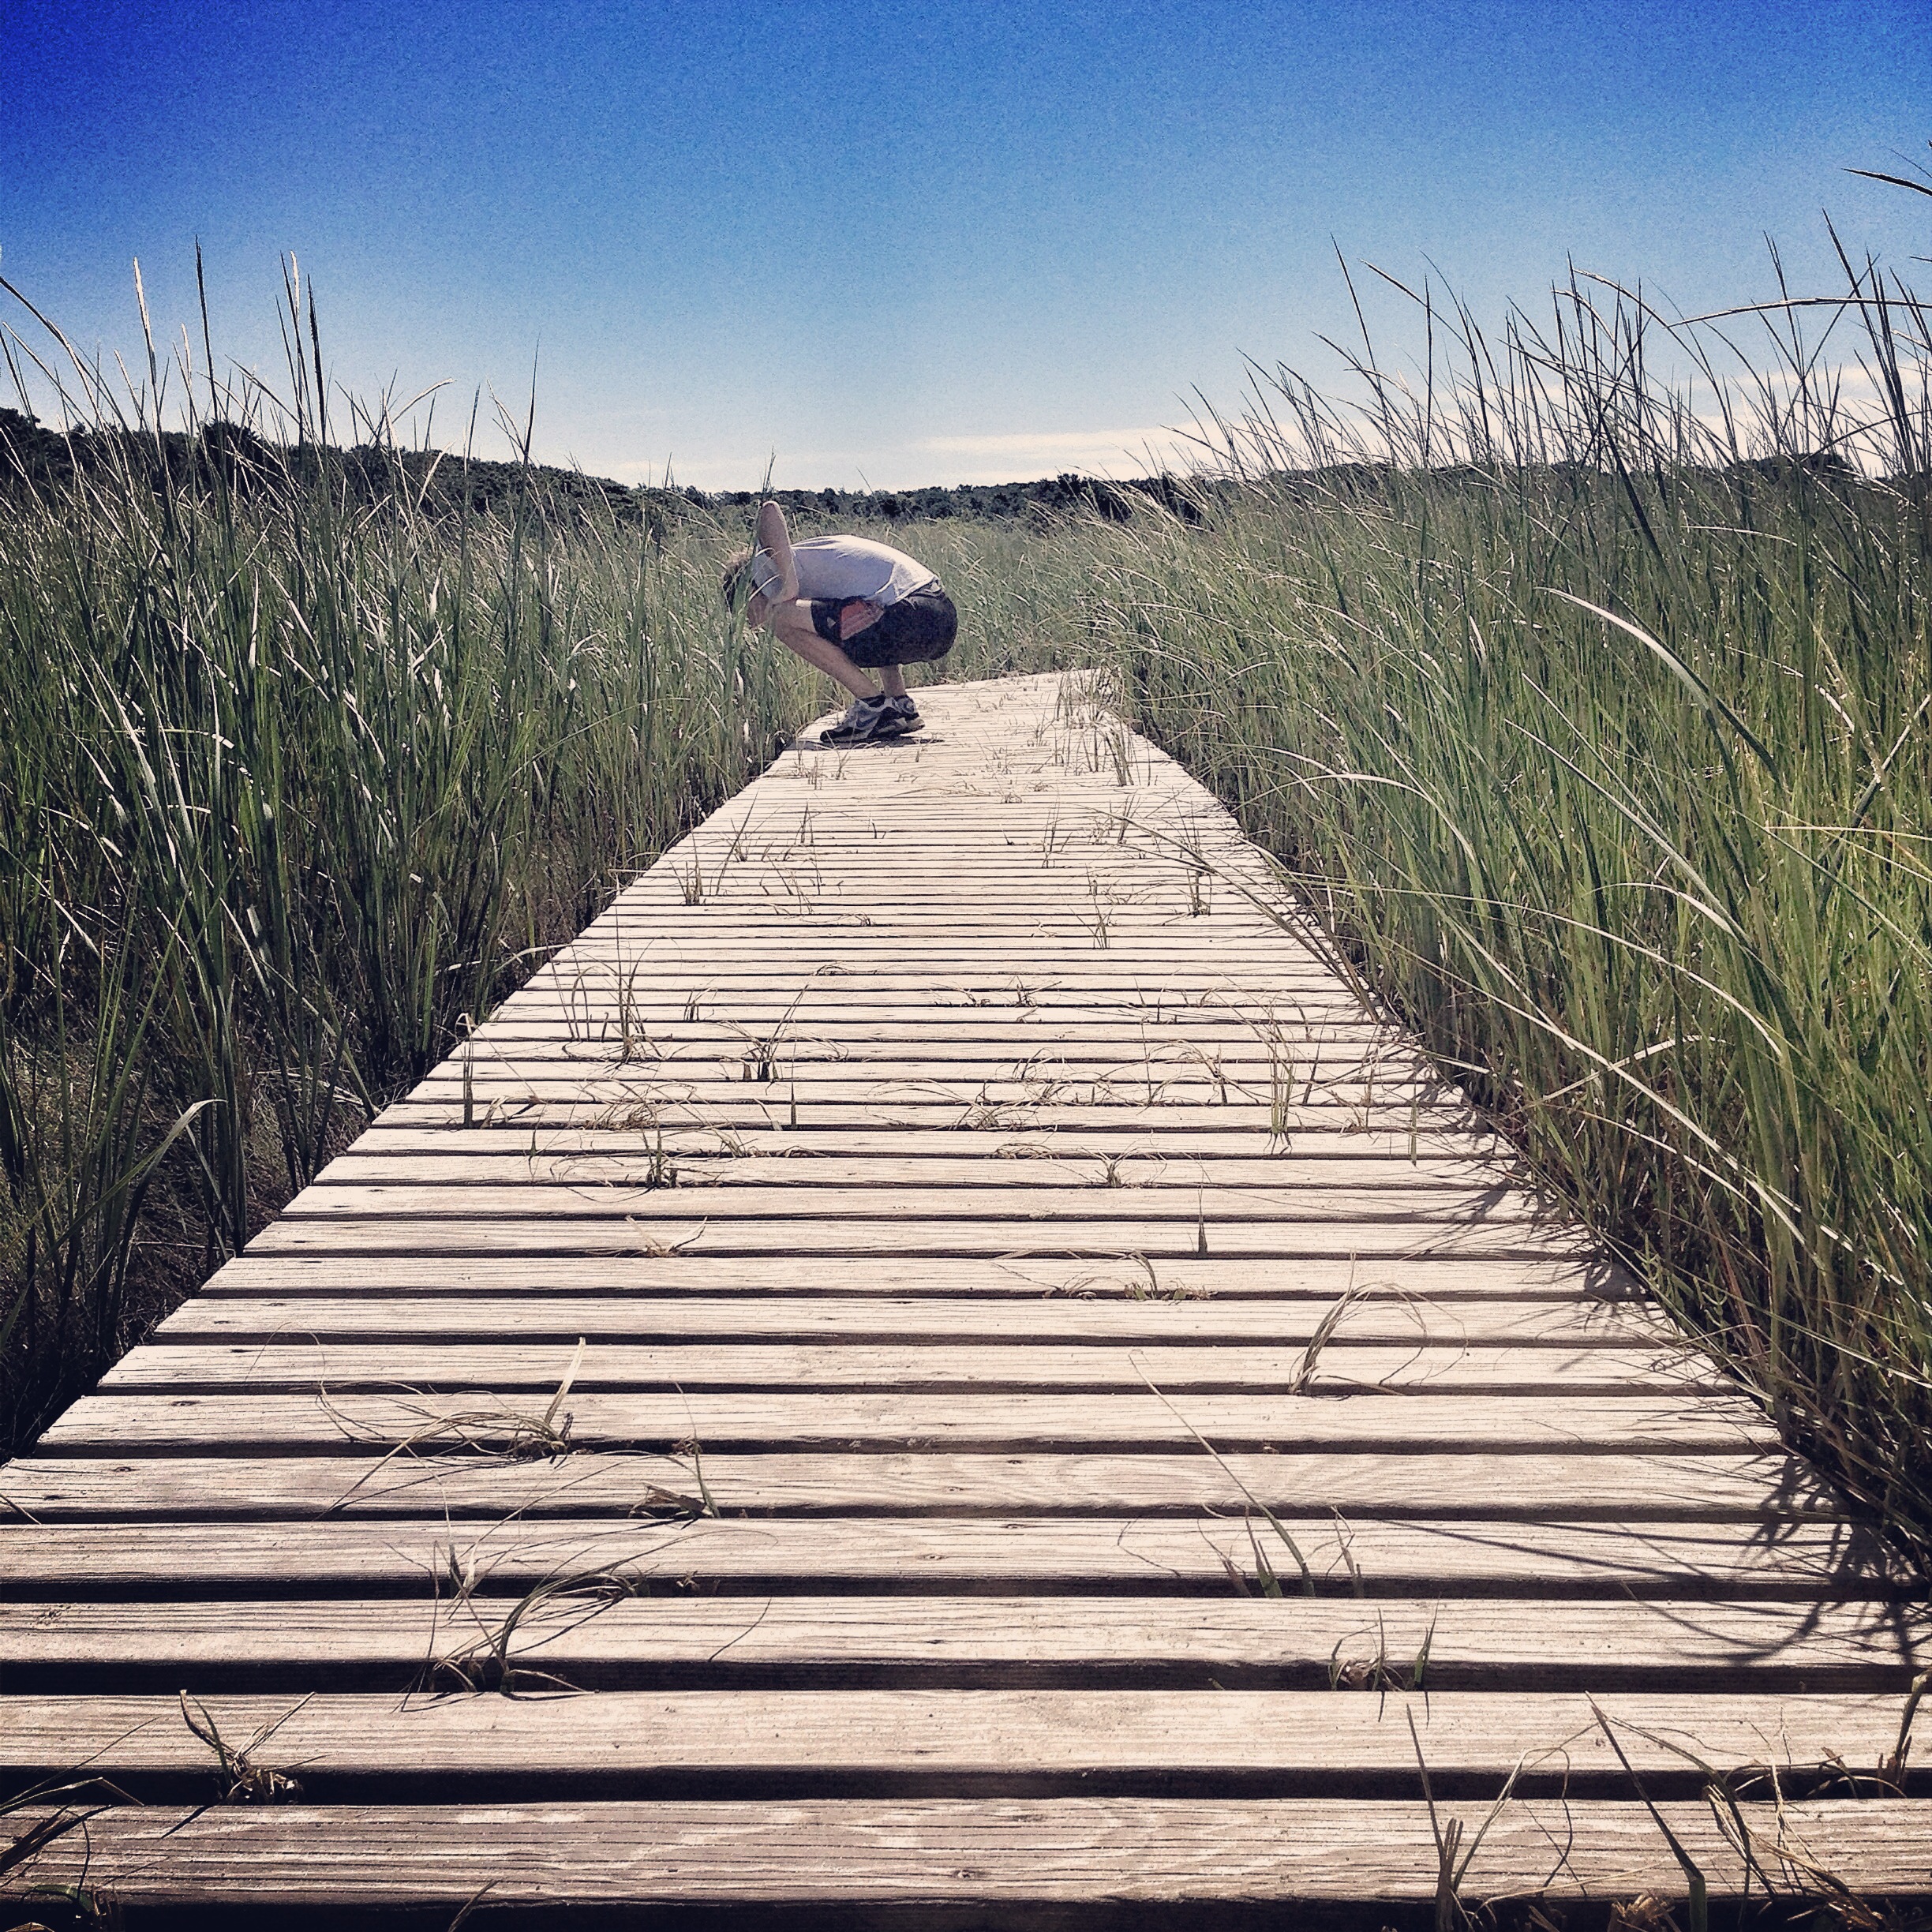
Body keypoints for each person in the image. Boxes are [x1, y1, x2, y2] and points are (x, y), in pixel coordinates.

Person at [721, 500, 957, 745]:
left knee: (778, 618)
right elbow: (878, 601)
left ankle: (872, 706)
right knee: (861, 615)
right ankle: (900, 704)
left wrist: (788, 587)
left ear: (746, 591)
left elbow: (769, 510)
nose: (752, 624)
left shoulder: (766, 567)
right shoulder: (817, 563)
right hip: (939, 617)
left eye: (745, 612)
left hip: (911, 615)